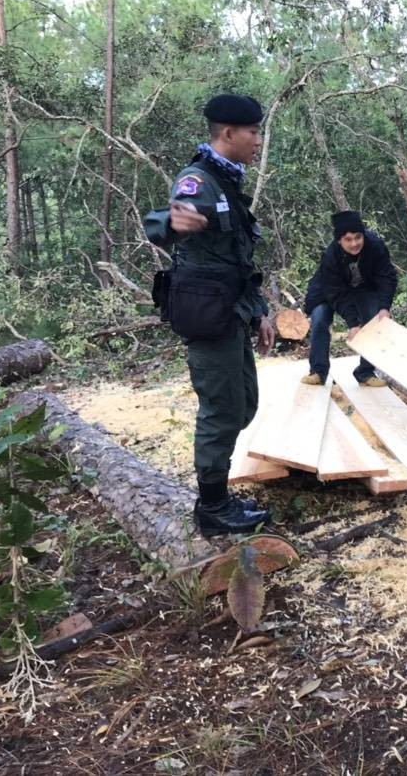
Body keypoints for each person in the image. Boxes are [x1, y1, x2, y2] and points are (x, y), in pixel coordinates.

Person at [143, 94, 274, 538]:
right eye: (254, 133)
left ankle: (216, 491)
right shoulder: (198, 179)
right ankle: (213, 506)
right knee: (221, 408)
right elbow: (168, 217)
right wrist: (170, 223)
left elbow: (239, 261)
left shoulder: (228, 181)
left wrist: (259, 312)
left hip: (231, 310)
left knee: (244, 403)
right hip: (207, 313)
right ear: (228, 134)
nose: (258, 140)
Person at [301, 210, 398, 387]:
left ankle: (366, 373)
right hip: (327, 291)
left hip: (363, 287)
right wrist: (353, 324)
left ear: (363, 235)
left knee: (374, 318)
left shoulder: (375, 246)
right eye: (348, 239)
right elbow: (336, 293)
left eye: (357, 237)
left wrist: (384, 307)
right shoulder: (331, 256)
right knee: (320, 319)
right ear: (339, 240)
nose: (354, 244)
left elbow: (387, 278)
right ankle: (318, 371)